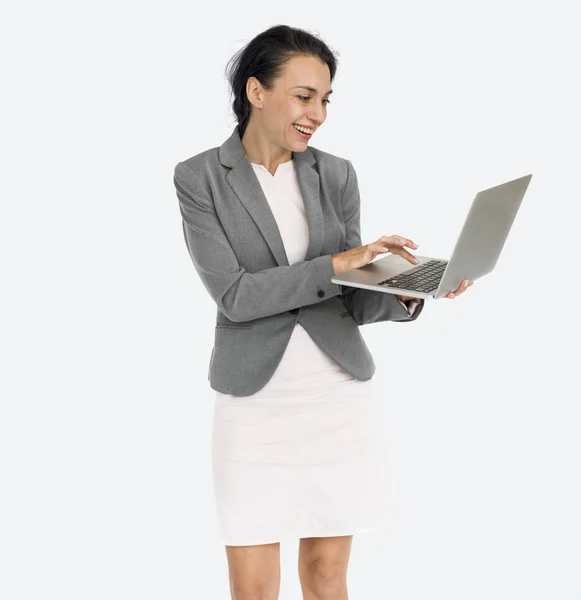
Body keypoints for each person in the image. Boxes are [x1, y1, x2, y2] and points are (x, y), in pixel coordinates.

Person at [173, 24, 472, 600]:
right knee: (254, 585)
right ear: (256, 92)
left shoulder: (334, 174)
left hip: (337, 396)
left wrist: (408, 288)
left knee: (329, 577)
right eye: (304, 96)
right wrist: (341, 261)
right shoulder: (200, 177)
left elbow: (347, 298)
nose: (319, 113)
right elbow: (235, 296)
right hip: (254, 403)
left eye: (326, 99)